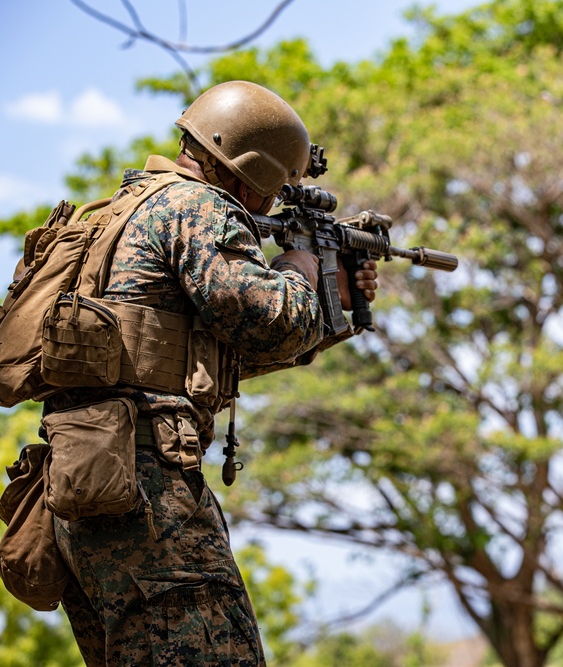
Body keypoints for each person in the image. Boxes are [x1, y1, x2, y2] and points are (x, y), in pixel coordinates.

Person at [44, 80, 378, 666]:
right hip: (149, 490)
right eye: (270, 193)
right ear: (246, 174)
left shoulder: (129, 208)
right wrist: (300, 273)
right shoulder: (198, 207)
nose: (266, 210)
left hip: (90, 481)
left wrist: (333, 307)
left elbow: (202, 357)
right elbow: (267, 320)